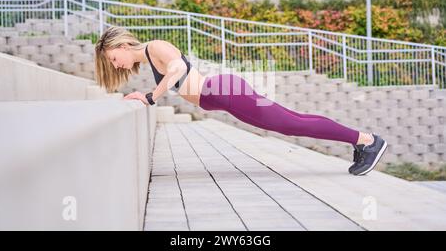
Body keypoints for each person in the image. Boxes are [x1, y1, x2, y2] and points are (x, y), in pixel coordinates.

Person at [94, 26, 388, 176]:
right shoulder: (148, 57)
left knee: (291, 123)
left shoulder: (155, 46)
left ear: (120, 46)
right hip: (223, 97)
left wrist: (148, 97)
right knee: (291, 122)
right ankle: (362, 141)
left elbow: (179, 69)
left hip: (224, 91)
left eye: (113, 58)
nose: (116, 64)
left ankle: (367, 140)